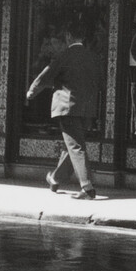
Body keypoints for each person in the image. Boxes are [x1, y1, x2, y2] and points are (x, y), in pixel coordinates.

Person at [26, 27, 103, 200]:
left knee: (75, 146)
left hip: (68, 107)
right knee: (75, 144)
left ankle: (87, 186)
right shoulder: (92, 57)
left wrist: (32, 91)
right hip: (87, 109)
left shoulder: (65, 55)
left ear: (68, 36)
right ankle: (55, 178)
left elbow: (47, 74)